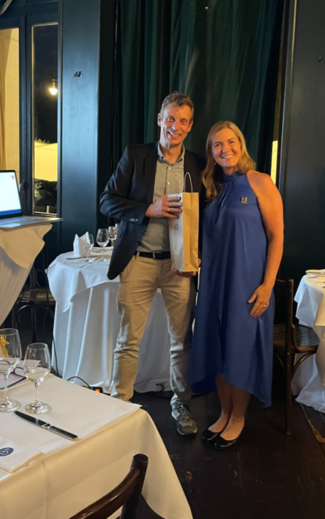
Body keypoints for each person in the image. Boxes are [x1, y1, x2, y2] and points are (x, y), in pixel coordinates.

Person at [100, 92, 205, 436]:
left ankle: (181, 403)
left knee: (182, 341)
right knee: (128, 340)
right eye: (170, 118)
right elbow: (107, 200)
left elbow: (207, 215)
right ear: (160, 119)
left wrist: (199, 254)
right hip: (139, 260)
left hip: (180, 267)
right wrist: (149, 209)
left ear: (190, 126)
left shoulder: (198, 164)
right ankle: (120, 408)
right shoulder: (136, 155)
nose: (176, 126)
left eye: (183, 121)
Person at [190, 121, 284, 449]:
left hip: (248, 283)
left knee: (240, 349)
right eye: (217, 145)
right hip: (214, 282)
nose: (225, 149)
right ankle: (225, 412)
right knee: (217, 347)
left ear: (241, 144)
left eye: (231, 142)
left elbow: (276, 236)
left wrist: (267, 286)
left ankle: (239, 417)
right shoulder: (211, 187)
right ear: (211, 153)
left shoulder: (260, 181)